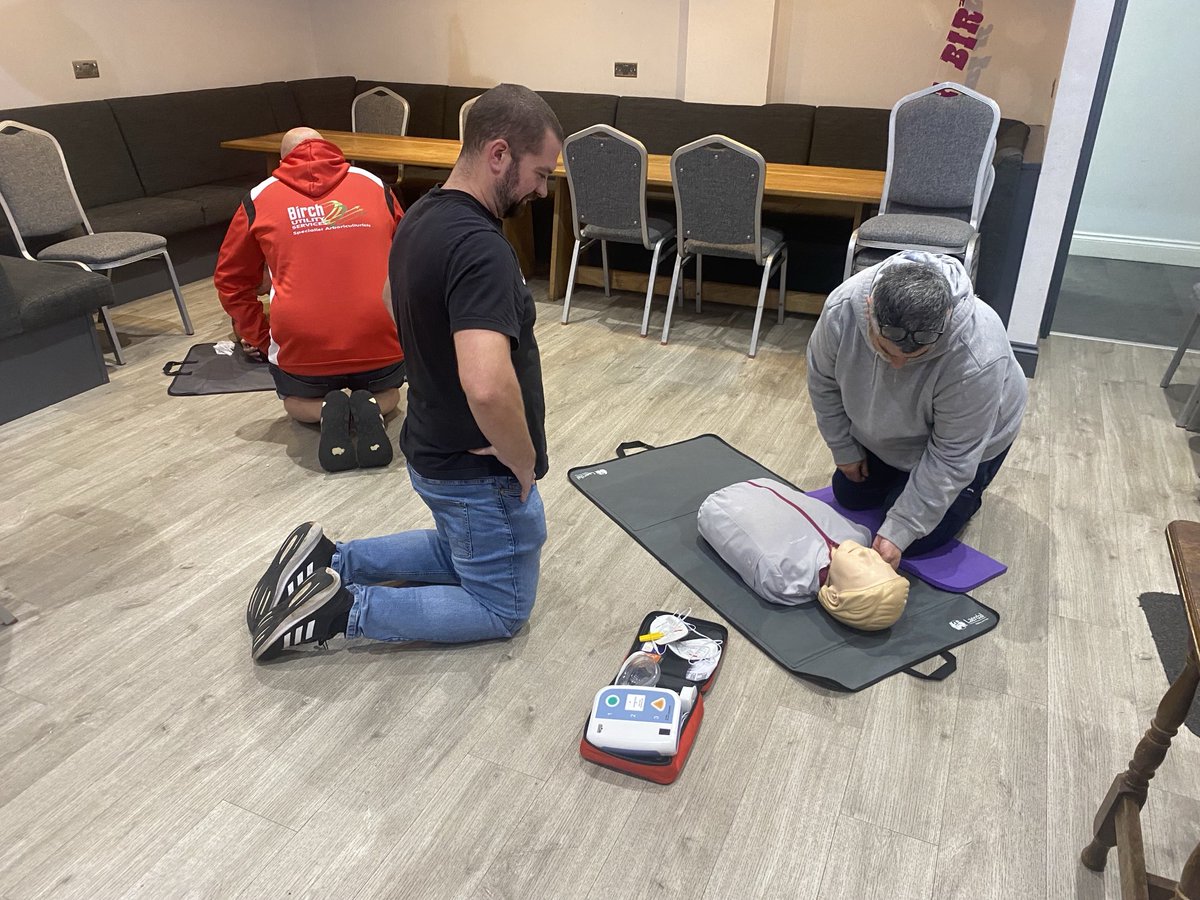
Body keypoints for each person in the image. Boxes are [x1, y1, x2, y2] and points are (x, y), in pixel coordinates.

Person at [246, 85, 565, 662]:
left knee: (458, 549)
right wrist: (522, 460)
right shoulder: (481, 248)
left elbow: (392, 301)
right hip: (476, 471)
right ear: (499, 154)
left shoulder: (420, 214)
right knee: (502, 607)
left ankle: (329, 560)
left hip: (432, 449)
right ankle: (340, 610)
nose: (542, 190)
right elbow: (488, 385)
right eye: (538, 173)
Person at [806, 250, 1027, 569]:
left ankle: (969, 491)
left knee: (914, 541)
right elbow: (822, 380)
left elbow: (952, 456)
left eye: (917, 356)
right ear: (869, 309)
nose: (898, 364)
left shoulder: (978, 355)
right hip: (891, 430)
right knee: (849, 495)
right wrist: (843, 448)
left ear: (947, 318)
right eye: (885, 350)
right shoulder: (841, 309)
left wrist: (902, 528)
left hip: (967, 445)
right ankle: (902, 479)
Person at [214, 126, 405, 473]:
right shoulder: (375, 185)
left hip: (302, 346)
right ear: (332, 149)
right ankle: (373, 403)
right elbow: (411, 256)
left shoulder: (258, 197)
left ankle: (323, 410)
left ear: (284, 159)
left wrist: (261, 337)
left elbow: (230, 280)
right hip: (379, 337)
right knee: (394, 394)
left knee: (295, 402)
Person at [698, 478, 908, 631]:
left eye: (866, 569)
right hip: (762, 485)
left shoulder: (785, 575)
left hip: (720, 504)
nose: (869, 555)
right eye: (879, 562)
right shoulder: (857, 536)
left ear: (835, 596)